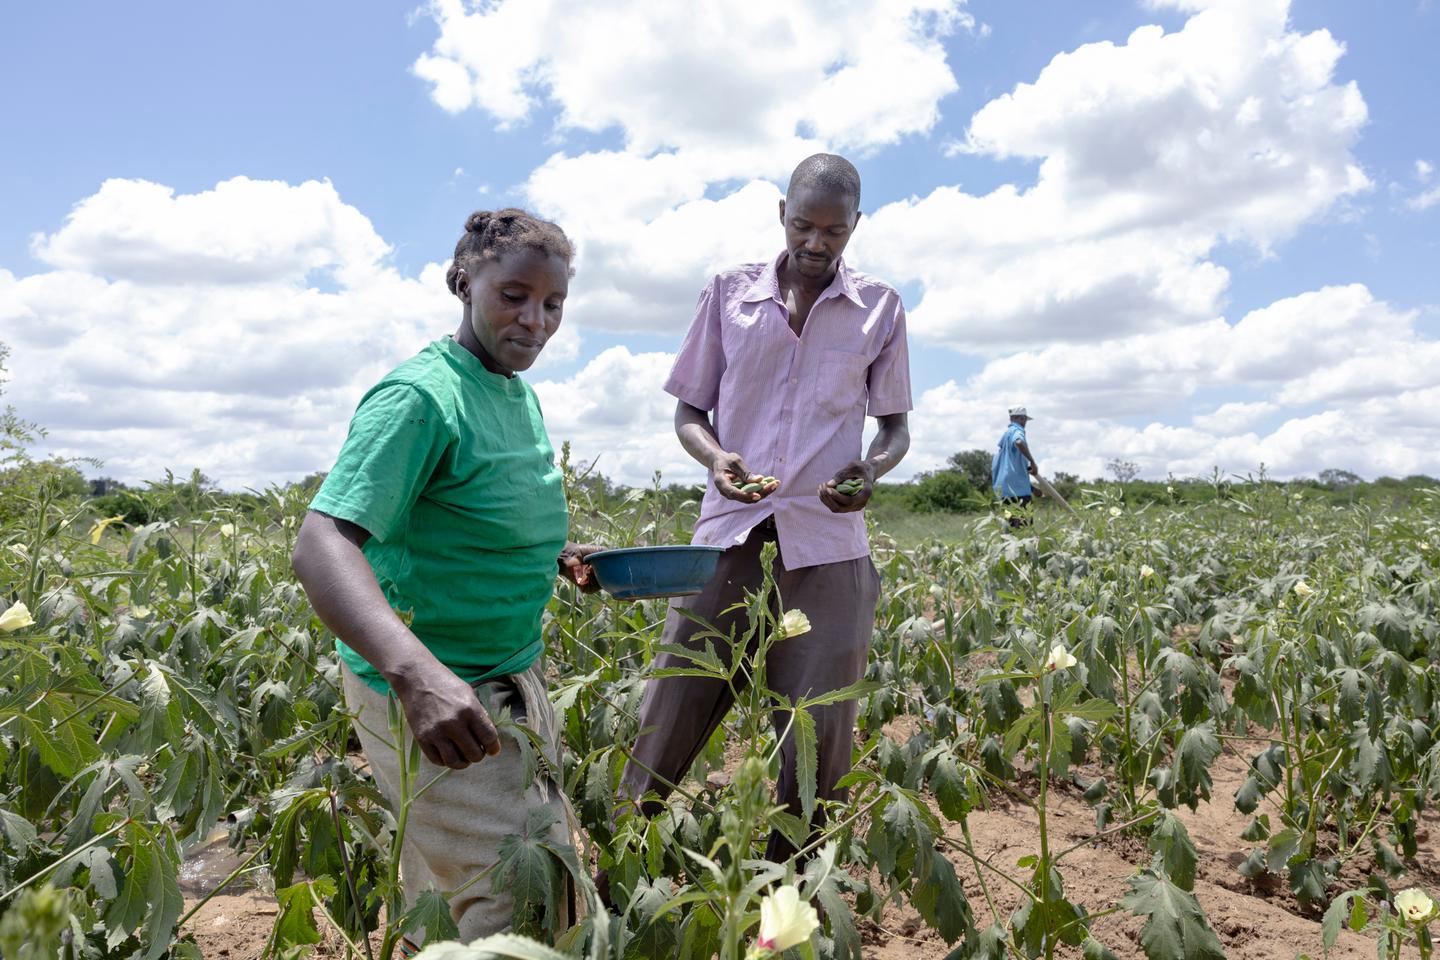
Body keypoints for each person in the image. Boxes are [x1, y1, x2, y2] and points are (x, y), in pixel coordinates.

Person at [291, 209, 601, 947]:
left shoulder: (510, 389)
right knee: (521, 898)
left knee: (446, 895)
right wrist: (416, 676)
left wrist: (548, 554)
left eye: (552, 304)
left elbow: (474, 511)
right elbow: (321, 542)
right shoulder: (421, 397)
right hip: (439, 692)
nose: (535, 319)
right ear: (464, 282)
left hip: (505, 680)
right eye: (514, 296)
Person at [617, 153, 912, 863]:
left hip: (829, 542)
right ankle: (620, 858)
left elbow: (895, 430)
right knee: (674, 704)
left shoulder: (881, 307)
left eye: (834, 232)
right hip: (730, 530)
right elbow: (690, 410)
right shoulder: (727, 294)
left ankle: (795, 896)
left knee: (816, 735)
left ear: (855, 228)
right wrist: (717, 459)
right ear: (781, 215)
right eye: (804, 226)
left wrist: (870, 469)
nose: (816, 243)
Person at [992, 406, 1039, 527]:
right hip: (1020, 496)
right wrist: (1032, 461)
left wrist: (1032, 489)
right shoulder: (1017, 431)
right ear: (1022, 419)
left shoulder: (1005, 439)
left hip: (1005, 494)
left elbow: (1013, 473)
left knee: (1010, 527)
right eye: (1024, 420)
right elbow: (1018, 442)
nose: (1025, 423)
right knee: (1024, 528)